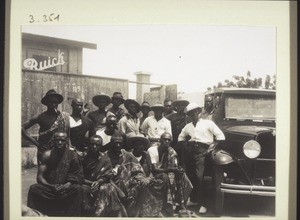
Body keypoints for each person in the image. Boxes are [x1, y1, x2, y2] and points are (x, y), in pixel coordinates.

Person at [178, 103, 225, 214]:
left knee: (200, 177)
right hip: (190, 152)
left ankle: (203, 204)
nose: (194, 114)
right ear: (188, 115)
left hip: (203, 152)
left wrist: (212, 146)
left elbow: (221, 136)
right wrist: (186, 146)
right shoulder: (188, 126)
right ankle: (194, 200)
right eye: (191, 113)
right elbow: (181, 137)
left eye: (195, 111)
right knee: (190, 176)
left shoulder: (208, 123)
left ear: (199, 112)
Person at [107, 133, 165, 217]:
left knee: (144, 184)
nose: (118, 145)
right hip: (115, 183)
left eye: (120, 143)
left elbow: (138, 170)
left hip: (132, 181)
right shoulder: (107, 156)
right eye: (116, 143)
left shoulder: (130, 155)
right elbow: (106, 175)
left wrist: (145, 179)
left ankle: (138, 215)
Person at [27, 132, 84, 216]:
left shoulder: (72, 155)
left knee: (78, 189)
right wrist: (51, 186)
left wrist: (68, 184)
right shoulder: (47, 155)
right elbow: (40, 177)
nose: (60, 142)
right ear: (53, 141)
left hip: (66, 188)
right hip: (50, 188)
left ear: (66, 141)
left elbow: (77, 175)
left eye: (62, 140)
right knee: (33, 188)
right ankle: (35, 216)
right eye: (57, 140)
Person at [147, 132, 193, 217]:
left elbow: (175, 166)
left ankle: (181, 204)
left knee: (184, 178)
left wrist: (179, 170)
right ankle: (168, 205)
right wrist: (170, 169)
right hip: (154, 174)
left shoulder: (172, 152)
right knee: (166, 177)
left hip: (167, 172)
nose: (167, 141)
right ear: (160, 140)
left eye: (169, 140)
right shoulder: (152, 150)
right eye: (165, 139)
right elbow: (154, 169)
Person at [81, 135, 127, 217]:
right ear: (89, 145)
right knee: (83, 189)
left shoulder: (104, 158)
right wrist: (91, 183)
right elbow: (78, 175)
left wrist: (99, 181)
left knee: (108, 188)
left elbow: (108, 175)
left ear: (101, 146)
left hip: (100, 183)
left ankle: (103, 213)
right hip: (85, 183)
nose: (94, 147)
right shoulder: (82, 157)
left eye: (97, 145)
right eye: (92, 144)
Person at [22, 89, 70, 164]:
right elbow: (22, 128)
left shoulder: (63, 117)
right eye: (51, 102)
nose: (54, 105)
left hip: (59, 151)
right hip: (44, 150)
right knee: (43, 173)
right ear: (47, 103)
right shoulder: (40, 117)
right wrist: (36, 143)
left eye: (56, 103)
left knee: (58, 173)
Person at [166, 99, 191, 165]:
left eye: (183, 105)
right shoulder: (170, 117)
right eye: (179, 105)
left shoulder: (188, 118)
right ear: (176, 107)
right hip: (173, 141)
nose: (181, 107)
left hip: (184, 143)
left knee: (183, 161)